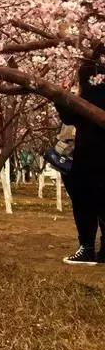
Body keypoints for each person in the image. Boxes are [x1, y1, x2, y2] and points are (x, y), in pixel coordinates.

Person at [56, 49, 105, 265]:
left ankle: (86, 247)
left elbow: (70, 117)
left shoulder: (89, 78)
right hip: (92, 151)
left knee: (85, 200)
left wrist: (61, 98)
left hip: (89, 152)